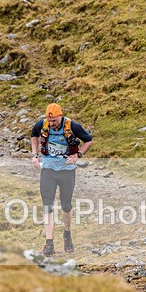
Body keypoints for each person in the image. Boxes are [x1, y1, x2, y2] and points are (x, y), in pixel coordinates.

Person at [30, 103, 93, 256]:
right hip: (48, 170)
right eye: (50, 121)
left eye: (55, 121)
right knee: (47, 205)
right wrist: (34, 155)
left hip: (66, 172)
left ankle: (67, 234)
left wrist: (78, 155)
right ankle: (49, 243)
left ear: (60, 116)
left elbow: (88, 140)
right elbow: (33, 135)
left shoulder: (72, 126)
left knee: (66, 206)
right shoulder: (42, 124)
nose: (52, 124)